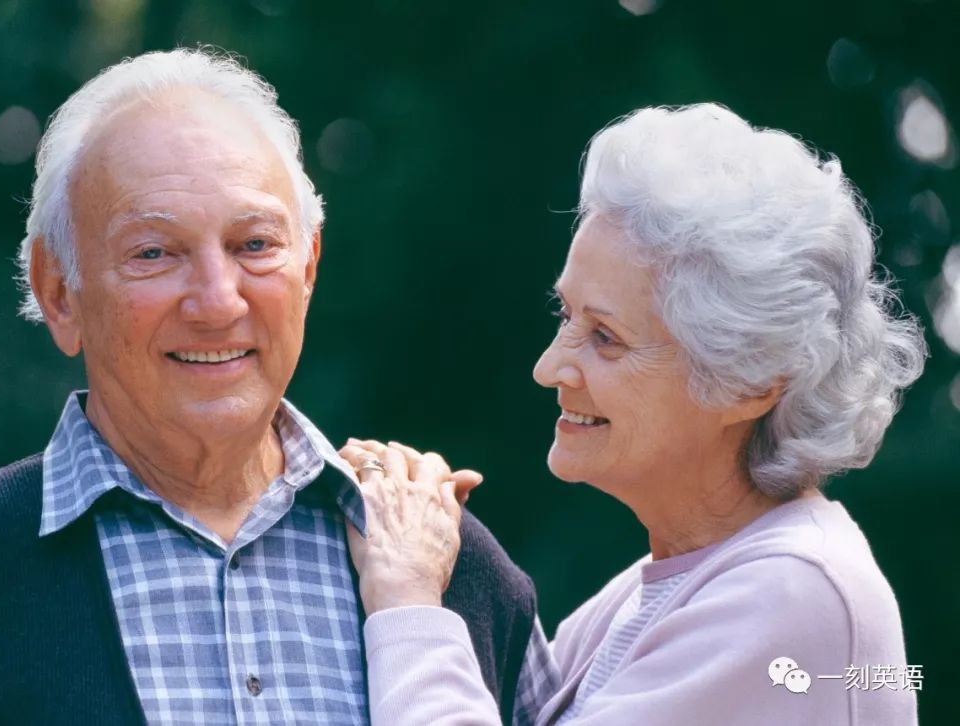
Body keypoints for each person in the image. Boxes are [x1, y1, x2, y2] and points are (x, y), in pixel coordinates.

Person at [0, 49, 558, 725]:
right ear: (59, 292)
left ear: (309, 267)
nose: (217, 301)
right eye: (154, 253)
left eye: (255, 245)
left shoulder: (450, 570)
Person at [342, 104, 926, 725]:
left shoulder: (798, 592)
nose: (549, 368)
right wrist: (427, 529)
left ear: (751, 381)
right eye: (566, 316)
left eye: (606, 337)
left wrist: (406, 594)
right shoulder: (658, 587)